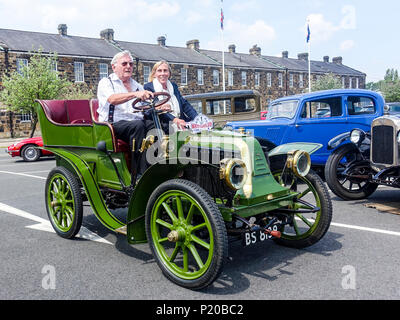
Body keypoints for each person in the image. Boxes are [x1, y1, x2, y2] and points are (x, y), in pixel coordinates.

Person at [97, 50, 154, 185]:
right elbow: (112, 99)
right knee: (138, 126)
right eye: (124, 63)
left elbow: (145, 106)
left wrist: (158, 106)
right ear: (114, 66)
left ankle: (158, 167)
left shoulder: (136, 85)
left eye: (131, 64)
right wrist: (135, 95)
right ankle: (139, 175)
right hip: (112, 125)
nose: (128, 66)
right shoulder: (106, 82)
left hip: (134, 123)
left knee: (155, 125)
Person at [144, 60, 198, 132]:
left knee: (203, 126)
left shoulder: (173, 86)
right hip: (164, 123)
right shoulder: (148, 87)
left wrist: (197, 118)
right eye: (159, 71)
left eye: (165, 71)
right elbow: (156, 109)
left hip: (180, 119)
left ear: (169, 73)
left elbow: (184, 104)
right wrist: (175, 120)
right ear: (154, 74)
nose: (162, 73)